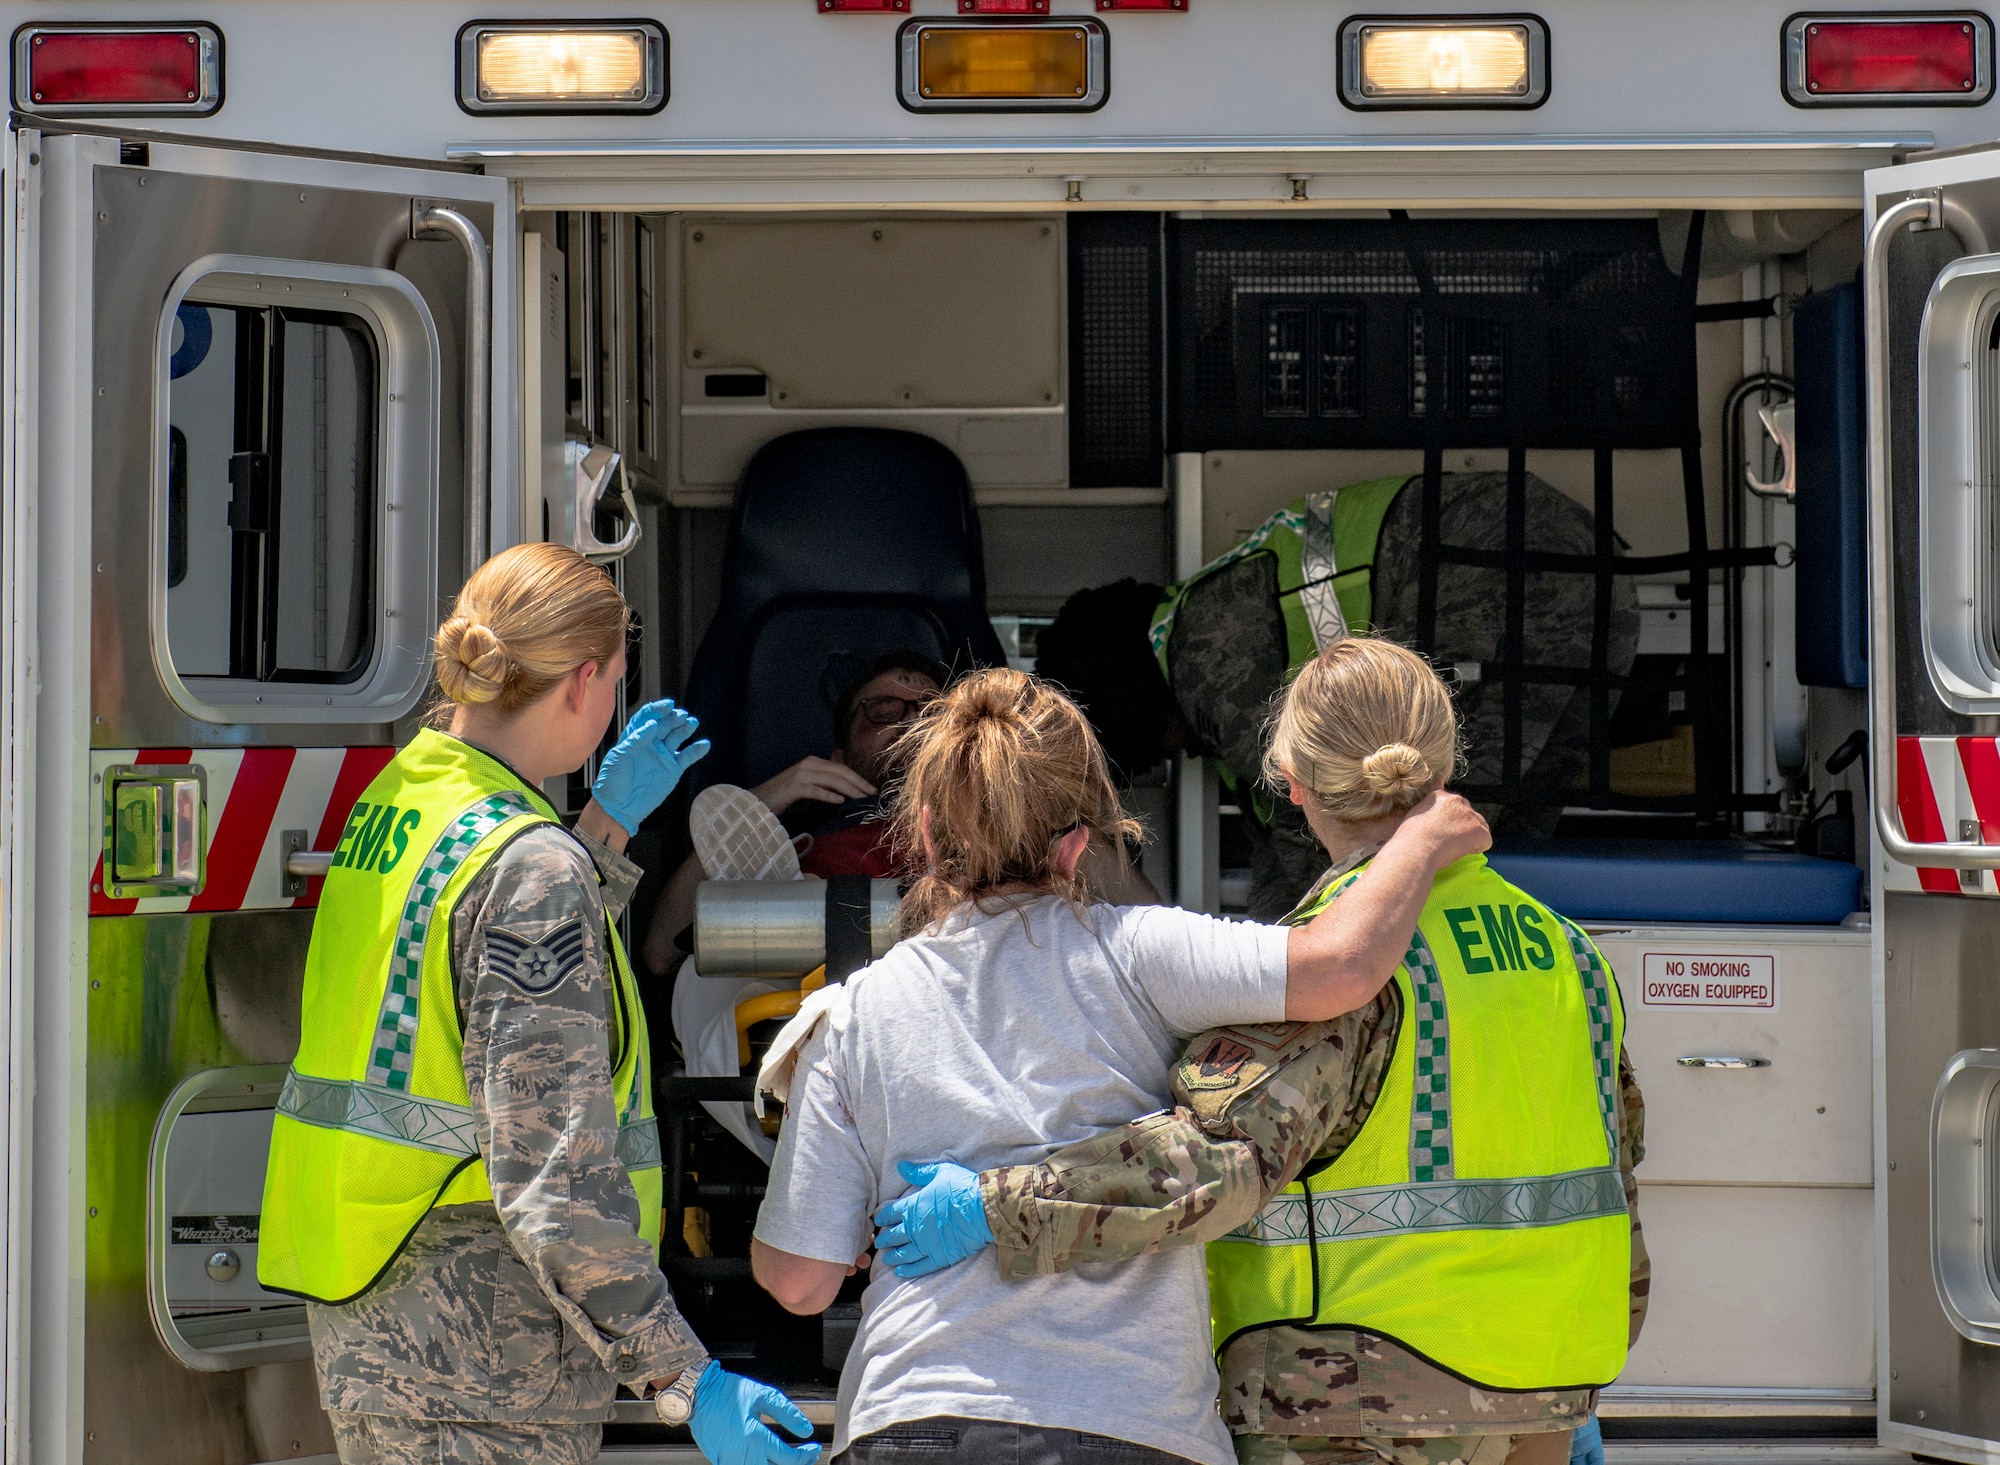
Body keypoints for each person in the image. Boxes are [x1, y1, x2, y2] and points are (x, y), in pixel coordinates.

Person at [878, 638, 1646, 1465]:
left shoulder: (1347, 972)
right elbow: (1614, 1177)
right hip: (1547, 1397)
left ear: (1293, 783)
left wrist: (997, 1205)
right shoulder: (1570, 953)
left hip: (1360, 1399)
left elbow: (1213, 1164)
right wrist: (1570, 1391)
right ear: (1444, 761)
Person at [746, 666, 1490, 1465]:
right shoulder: (1143, 952)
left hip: (915, 1419)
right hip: (1132, 1426)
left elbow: (799, 1280)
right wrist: (1420, 836)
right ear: (1077, 846)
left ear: (925, 835)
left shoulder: (855, 1010)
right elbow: (1344, 965)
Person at [258, 542, 818, 1465]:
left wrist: (600, 831)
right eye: (615, 688)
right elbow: (554, 1176)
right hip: (485, 1358)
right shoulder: (529, 864)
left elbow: (465, 970)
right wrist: (686, 1379)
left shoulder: (404, 798)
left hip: (383, 1324)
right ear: (583, 683)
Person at [1033, 472, 1642, 921]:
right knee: (1501, 843)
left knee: (1441, 831)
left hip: (1510, 571)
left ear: (1131, 710)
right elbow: (1284, 839)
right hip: (1588, 573)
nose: (1179, 758)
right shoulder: (1212, 616)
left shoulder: (1205, 652)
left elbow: (1317, 837)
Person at [641, 650, 945, 978]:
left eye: (934, 715)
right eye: (884, 712)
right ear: (839, 760)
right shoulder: (792, 850)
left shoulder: (986, 843)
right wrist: (758, 806)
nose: (913, 724)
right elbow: (661, 954)